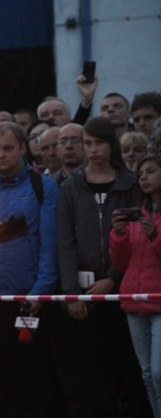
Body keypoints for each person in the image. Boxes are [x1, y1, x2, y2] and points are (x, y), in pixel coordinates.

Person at [57, 116, 152, 418]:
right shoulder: (71, 187)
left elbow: (138, 240)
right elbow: (65, 241)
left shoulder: (131, 185)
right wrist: (72, 292)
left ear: (111, 144)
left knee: (131, 368)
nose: (93, 149)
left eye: (99, 143)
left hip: (124, 288)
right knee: (92, 374)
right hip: (85, 292)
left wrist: (112, 278)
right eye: (88, 143)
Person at [0, 121, 60, 417]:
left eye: (8, 148)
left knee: (33, 375)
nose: (1, 155)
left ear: (22, 147)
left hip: (27, 297)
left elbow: (50, 245)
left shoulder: (42, 186)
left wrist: (40, 291)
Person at [110, 154, 161, 418]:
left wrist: (156, 236)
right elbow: (120, 263)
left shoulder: (150, 222)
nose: (143, 177)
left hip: (159, 303)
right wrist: (118, 235)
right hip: (134, 300)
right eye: (140, 173)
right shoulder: (137, 215)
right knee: (147, 375)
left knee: (159, 372)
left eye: (150, 171)